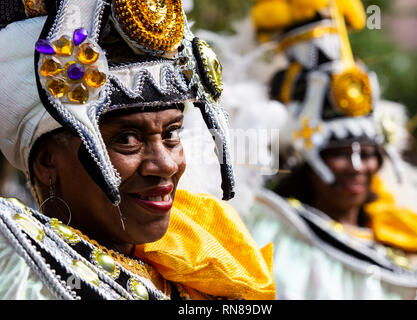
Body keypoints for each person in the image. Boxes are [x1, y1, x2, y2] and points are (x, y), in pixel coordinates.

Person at [0, 0, 275, 300]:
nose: (166, 164)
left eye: (171, 134)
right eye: (128, 139)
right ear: (46, 162)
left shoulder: (199, 270)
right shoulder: (20, 275)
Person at [238, 0, 417, 299]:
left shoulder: (409, 236)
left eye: (366, 153)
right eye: (338, 153)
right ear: (308, 162)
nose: (356, 166)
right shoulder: (275, 234)